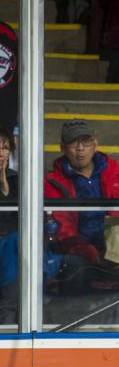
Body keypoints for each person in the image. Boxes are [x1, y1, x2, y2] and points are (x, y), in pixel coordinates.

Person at [43, 119, 119, 302]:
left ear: (95, 144)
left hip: (118, 247)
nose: (80, 148)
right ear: (62, 148)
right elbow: (61, 223)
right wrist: (87, 251)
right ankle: (74, 326)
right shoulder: (53, 181)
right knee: (74, 270)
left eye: (85, 142)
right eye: (73, 143)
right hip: (76, 251)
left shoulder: (114, 170)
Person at [0, 125, 18, 323]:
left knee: (15, 243)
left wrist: (5, 186)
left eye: (5, 147)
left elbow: (19, 222)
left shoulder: (18, 179)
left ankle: (6, 316)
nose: (1, 152)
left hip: (9, 246)